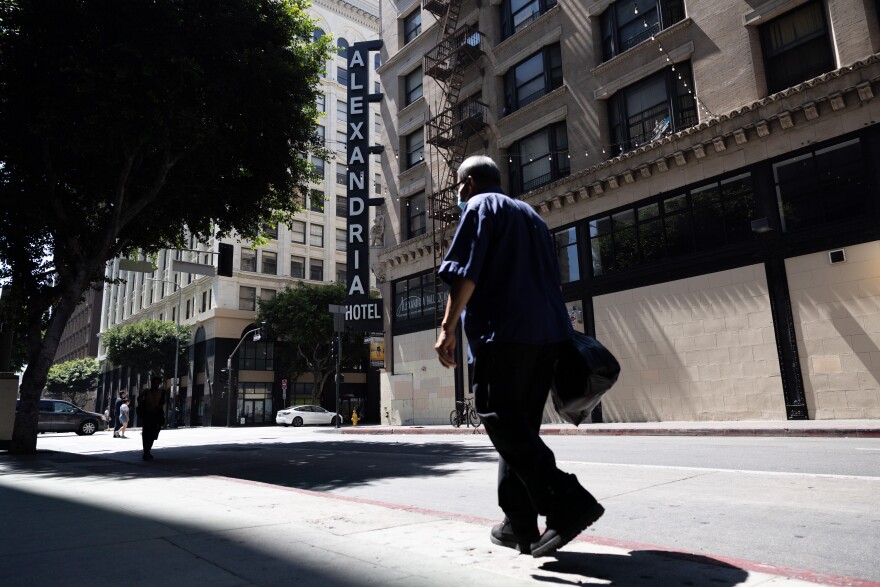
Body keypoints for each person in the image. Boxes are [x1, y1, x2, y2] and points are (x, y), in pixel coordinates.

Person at [434, 155, 604, 558]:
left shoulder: (479, 207)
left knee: (497, 415)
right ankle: (519, 523)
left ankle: (566, 500)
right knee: (520, 426)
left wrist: (447, 327)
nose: (458, 195)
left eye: (458, 187)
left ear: (469, 183)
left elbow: (465, 273)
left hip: (504, 334)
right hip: (546, 335)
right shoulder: (533, 216)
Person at [139, 377, 166, 461]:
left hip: (156, 415)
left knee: (154, 433)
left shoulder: (162, 391)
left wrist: (158, 407)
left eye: (158, 383)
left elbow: (163, 401)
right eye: (155, 383)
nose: (156, 385)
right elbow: (139, 399)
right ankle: (146, 451)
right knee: (146, 433)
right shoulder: (147, 391)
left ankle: (148, 449)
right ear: (152, 383)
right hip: (147, 415)